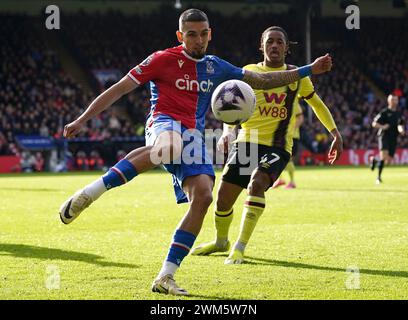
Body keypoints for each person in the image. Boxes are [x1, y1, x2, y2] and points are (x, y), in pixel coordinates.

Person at [58, 10, 332, 296]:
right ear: (180, 36)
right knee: (170, 146)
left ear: (210, 34)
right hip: (164, 123)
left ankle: (166, 276)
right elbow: (119, 89)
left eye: (203, 34)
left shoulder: (216, 66)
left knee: (203, 196)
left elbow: (261, 81)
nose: (198, 40)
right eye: (191, 34)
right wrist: (82, 119)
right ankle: (91, 193)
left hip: (194, 138)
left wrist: (309, 69)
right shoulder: (162, 59)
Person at [191, 26, 342, 264]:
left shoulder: (297, 76)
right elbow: (231, 108)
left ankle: (239, 247)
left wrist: (335, 133)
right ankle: (222, 241)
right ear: (261, 46)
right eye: (269, 41)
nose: (274, 45)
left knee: (257, 183)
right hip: (247, 144)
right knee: (222, 199)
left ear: (286, 48)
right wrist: (228, 133)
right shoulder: (249, 73)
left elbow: (317, 104)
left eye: (279, 42)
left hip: (277, 146)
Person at [370, 94, 405, 184]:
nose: (394, 101)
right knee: (384, 156)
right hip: (384, 136)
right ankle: (378, 178)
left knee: (388, 161)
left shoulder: (398, 113)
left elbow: (400, 125)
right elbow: (374, 123)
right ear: (389, 101)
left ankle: (374, 160)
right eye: (393, 100)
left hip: (393, 138)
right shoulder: (384, 112)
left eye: (396, 100)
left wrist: (401, 130)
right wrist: (383, 126)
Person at [272, 103, 304, 189]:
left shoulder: (294, 102)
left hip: (291, 136)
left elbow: (300, 118)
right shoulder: (280, 102)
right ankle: (280, 180)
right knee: (276, 158)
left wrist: (291, 128)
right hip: (281, 136)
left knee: (288, 159)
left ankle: (292, 182)